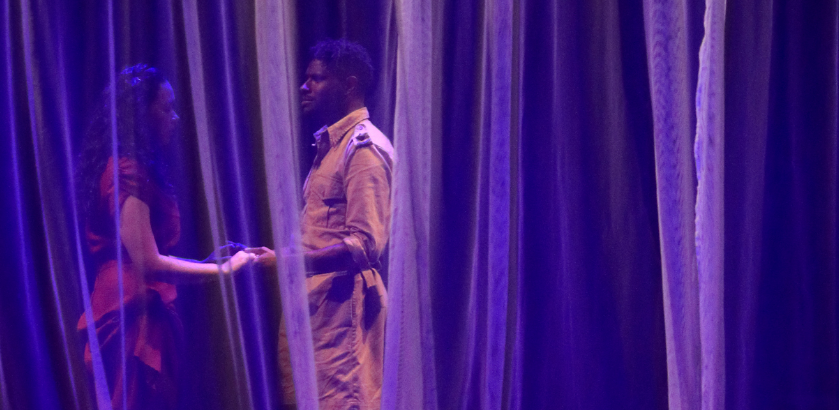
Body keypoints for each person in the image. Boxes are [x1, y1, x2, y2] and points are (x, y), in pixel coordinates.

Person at [76, 64, 255, 410]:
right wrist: (226, 270)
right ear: (142, 114)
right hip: (131, 313)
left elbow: (143, 255)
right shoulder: (127, 170)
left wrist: (205, 263)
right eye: (167, 107)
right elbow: (147, 262)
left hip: (134, 302)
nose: (175, 118)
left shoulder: (128, 166)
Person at [251, 39, 393, 409]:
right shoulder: (331, 148)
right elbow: (320, 236)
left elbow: (364, 244)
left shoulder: (363, 149)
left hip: (343, 323)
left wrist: (288, 263)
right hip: (317, 319)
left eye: (317, 78)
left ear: (349, 85)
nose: (304, 86)